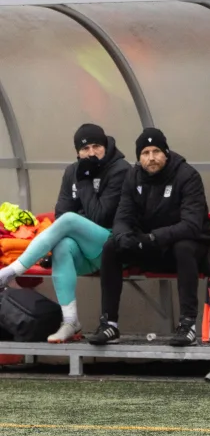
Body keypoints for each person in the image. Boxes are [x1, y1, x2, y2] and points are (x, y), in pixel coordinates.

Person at [86, 128, 210, 346]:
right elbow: (123, 216)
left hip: (191, 247)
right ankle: (109, 324)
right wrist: (123, 236)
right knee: (111, 247)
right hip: (149, 244)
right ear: (139, 157)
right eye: (145, 153)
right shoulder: (133, 176)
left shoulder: (187, 176)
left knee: (184, 246)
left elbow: (191, 225)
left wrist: (152, 238)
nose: (151, 158)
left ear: (165, 152)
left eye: (156, 151)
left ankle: (187, 325)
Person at [0, 124, 130, 342]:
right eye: (85, 148)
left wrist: (85, 181)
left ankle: (11, 271)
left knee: (70, 220)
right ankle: (70, 321)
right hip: (86, 252)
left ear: (105, 146)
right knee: (62, 245)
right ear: (77, 152)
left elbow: (100, 216)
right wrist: (77, 219)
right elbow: (61, 213)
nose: (91, 153)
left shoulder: (120, 170)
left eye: (96, 146)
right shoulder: (72, 171)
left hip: (112, 248)